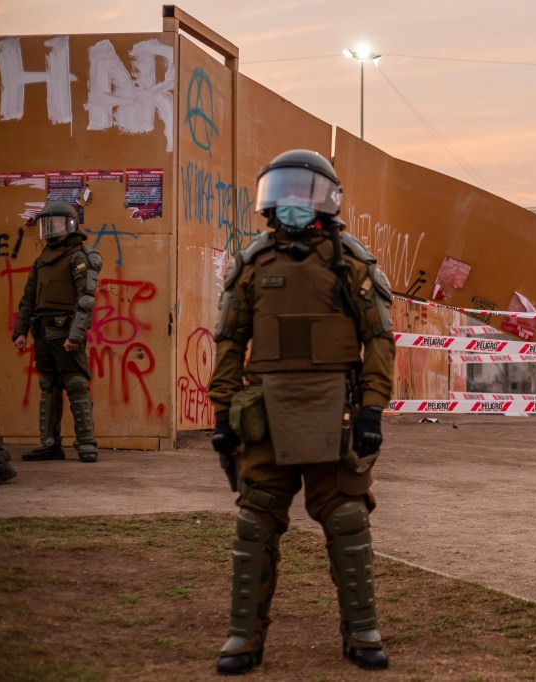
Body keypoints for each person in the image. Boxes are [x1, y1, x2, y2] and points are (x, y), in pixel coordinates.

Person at [208, 149, 396, 675]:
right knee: (255, 523)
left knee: (347, 519)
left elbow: (379, 341)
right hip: (266, 414)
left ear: (327, 200)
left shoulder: (352, 263)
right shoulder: (252, 263)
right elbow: (229, 341)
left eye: (303, 190)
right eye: (283, 191)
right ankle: (243, 639)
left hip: (333, 411)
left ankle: (362, 633)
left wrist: (371, 412)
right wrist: (222, 413)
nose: (291, 201)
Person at [12, 201, 102, 463]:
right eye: (47, 224)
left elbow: (86, 299)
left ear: (71, 225)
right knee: (48, 386)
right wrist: (21, 332)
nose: (51, 229)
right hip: (43, 332)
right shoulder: (41, 260)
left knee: (75, 383)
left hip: (66, 331)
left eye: (57, 224)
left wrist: (75, 335)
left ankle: (86, 443)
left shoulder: (79, 257)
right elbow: (28, 300)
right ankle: (50, 443)